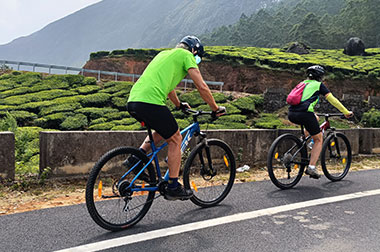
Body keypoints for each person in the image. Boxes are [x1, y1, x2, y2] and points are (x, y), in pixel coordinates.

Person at [126, 35, 226, 200]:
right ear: (193, 50)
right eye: (198, 58)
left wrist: (179, 105)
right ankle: (173, 185)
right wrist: (215, 108)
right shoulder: (187, 56)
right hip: (150, 101)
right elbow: (201, 86)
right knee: (176, 138)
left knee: (163, 131)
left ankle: (135, 158)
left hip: (134, 101)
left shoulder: (164, 54)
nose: (196, 60)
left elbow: (168, 87)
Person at [288, 65, 353, 179]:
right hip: (305, 114)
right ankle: (311, 168)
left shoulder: (303, 83)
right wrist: (345, 112)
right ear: (320, 76)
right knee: (319, 139)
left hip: (291, 113)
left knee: (316, 118)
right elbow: (333, 100)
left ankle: (302, 140)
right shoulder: (318, 85)